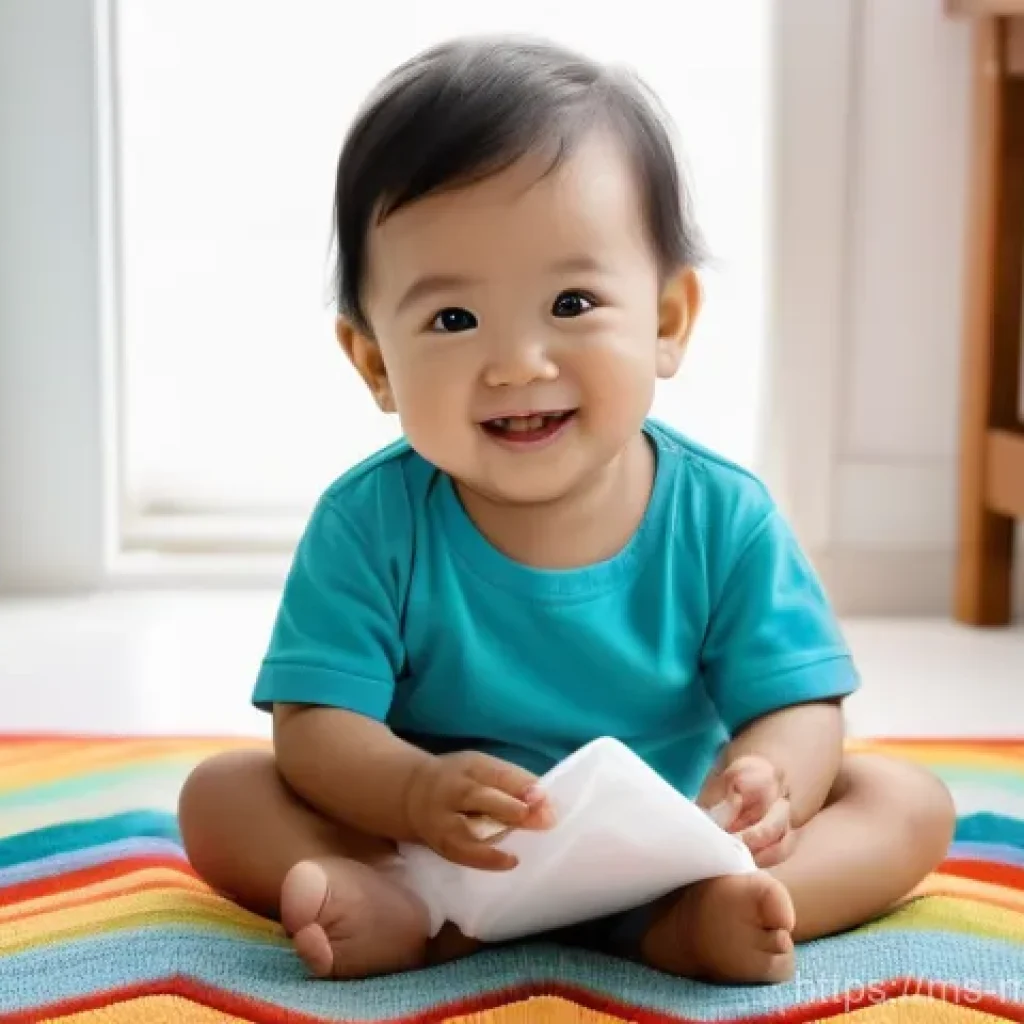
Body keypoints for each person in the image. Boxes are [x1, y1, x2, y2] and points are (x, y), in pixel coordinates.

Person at [178, 35, 956, 984]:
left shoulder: (725, 515)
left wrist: (768, 780)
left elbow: (797, 703)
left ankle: (708, 915)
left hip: (671, 846)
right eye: (452, 320)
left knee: (905, 798)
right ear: (377, 363)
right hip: (444, 849)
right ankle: (411, 912)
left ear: (667, 322)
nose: (517, 363)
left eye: (573, 301)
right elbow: (313, 726)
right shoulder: (368, 524)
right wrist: (412, 792)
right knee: (222, 795)